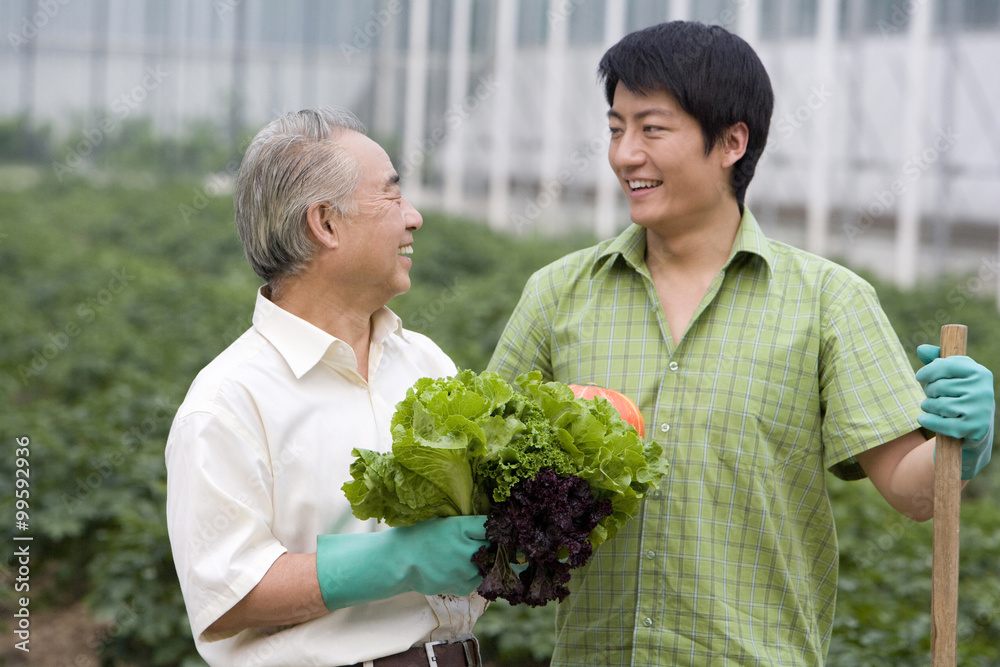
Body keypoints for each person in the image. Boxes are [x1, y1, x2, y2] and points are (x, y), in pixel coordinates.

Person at [487, 21, 995, 666]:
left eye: (652, 128)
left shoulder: (827, 301)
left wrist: (962, 441)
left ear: (731, 141)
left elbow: (909, 489)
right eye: (616, 128)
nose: (625, 154)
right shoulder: (558, 293)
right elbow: (488, 468)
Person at [165, 107, 489, 667]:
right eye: (392, 197)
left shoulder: (426, 363)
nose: (413, 217)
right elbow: (225, 596)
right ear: (326, 224)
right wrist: (398, 560)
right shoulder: (229, 401)